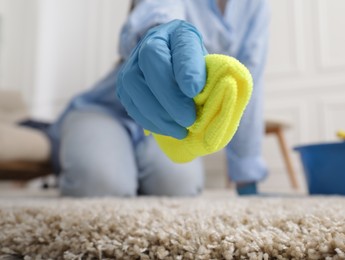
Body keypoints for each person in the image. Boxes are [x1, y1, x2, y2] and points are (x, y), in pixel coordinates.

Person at [47, 0, 270, 197]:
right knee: (99, 185)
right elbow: (159, 8)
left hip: (166, 125)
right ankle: (66, 140)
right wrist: (160, 33)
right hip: (107, 110)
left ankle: (127, 163)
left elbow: (248, 85)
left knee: (179, 188)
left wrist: (246, 175)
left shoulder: (256, 5)